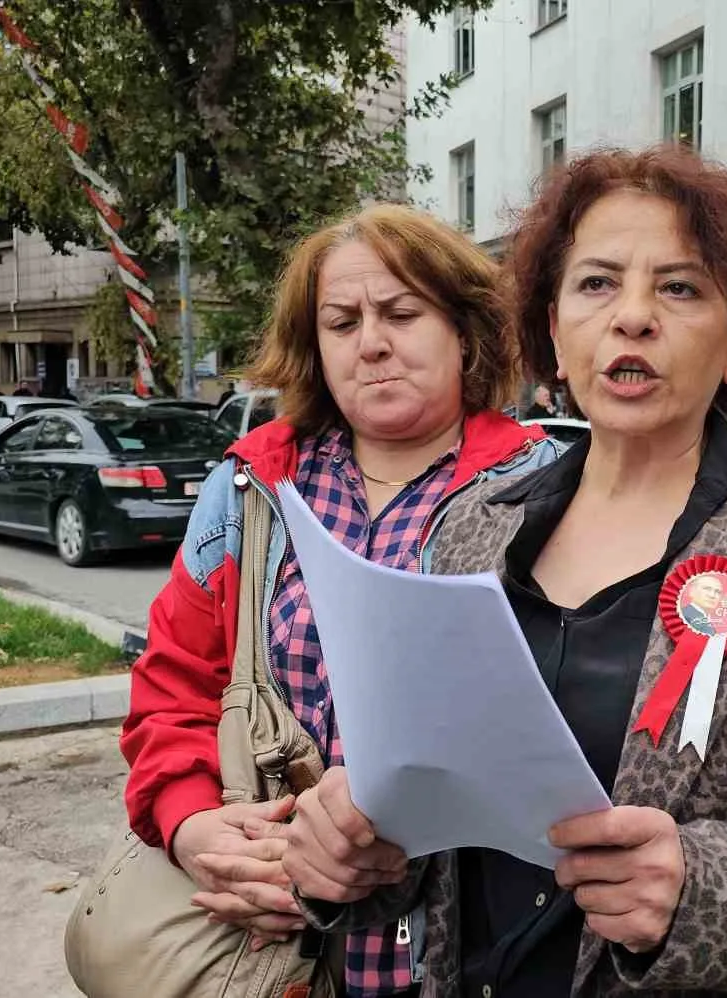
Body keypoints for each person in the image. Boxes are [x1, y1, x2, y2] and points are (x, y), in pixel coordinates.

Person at [284, 147, 727, 998]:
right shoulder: (474, 528)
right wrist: (355, 851)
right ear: (555, 331)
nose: (632, 318)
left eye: (680, 288)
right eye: (596, 284)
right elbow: (434, 842)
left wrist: (698, 890)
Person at [119, 203, 560, 998]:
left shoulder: (544, 487)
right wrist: (191, 825)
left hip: (467, 945)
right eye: (342, 322)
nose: (372, 343)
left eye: (402, 313)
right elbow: (173, 687)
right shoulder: (250, 493)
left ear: (464, 332)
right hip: (273, 940)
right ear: (314, 347)